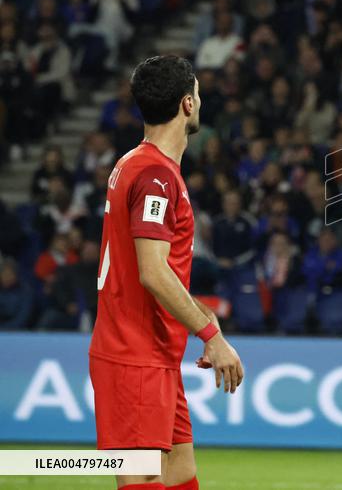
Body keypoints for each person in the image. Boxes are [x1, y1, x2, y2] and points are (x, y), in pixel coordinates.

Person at [89, 55, 244, 490]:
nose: (201, 99)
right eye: (198, 91)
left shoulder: (136, 163)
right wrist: (211, 336)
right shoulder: (156, 176)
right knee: (141, 481)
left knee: (179, 474)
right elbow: (153, 273)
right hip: (134, 354)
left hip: (154, 354)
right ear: (187, 105)